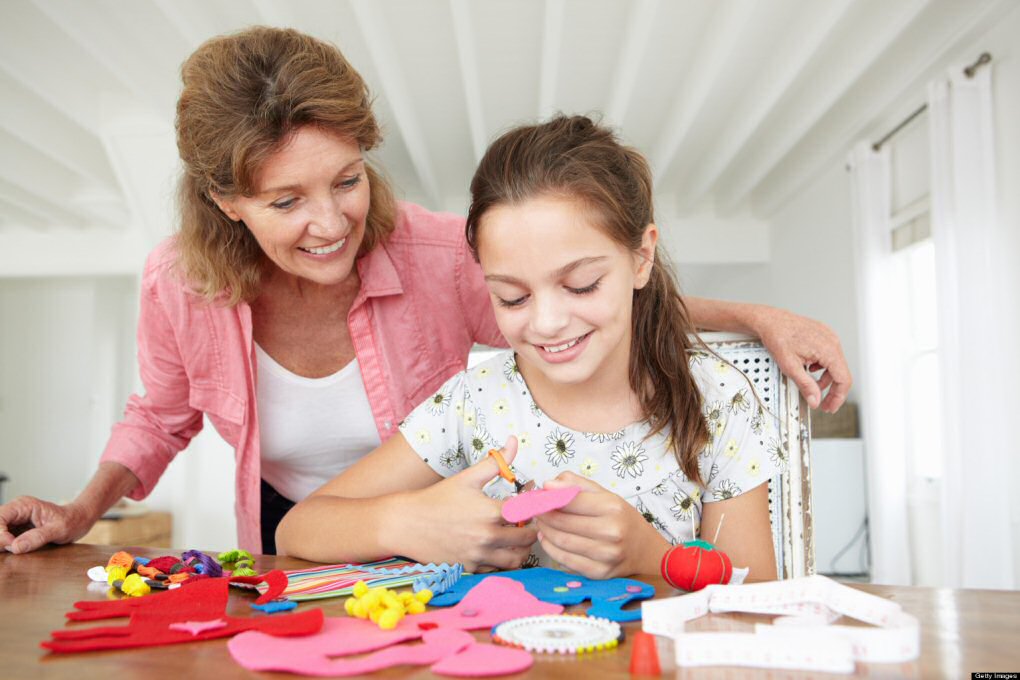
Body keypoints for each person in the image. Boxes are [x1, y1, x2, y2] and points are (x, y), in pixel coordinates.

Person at [0, 27, 848, 558]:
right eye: (286, 202)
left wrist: (752, 316)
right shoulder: (178, 283)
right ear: (227, 203)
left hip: (449, 513)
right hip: (320, 512)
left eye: (346, 179)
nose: (330, 223)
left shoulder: (446, 255)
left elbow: (594, 303)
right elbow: (163, 415)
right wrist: (83, 508)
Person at [276, 115, 779, 580]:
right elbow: (296, 529)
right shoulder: (473, 404)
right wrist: (406, 521)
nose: (548, 322)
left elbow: (759, 602)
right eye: (512, 297)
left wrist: (654, 558)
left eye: (581, 285)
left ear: (642, 257)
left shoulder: (716, 397)